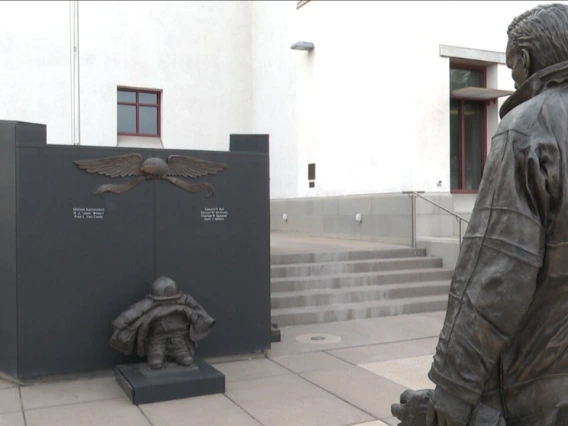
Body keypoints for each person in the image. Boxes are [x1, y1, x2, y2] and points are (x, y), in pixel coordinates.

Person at [394, 4, 568, 425]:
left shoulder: (527, 127)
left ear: (525, 60)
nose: (514, 80)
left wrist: (450, 396)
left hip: (535, 391)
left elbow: (494, 276)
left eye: (511, 71)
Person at [110, 276, 215, 369]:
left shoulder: (186, 302)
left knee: (186, 359)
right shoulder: (148, 305)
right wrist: (121, 324)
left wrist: (187, 311)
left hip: (179, 337)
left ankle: (180, 351)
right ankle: (156, 352)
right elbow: (133, 312)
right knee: (156, 362)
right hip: (157, 338)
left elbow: (201, 315)